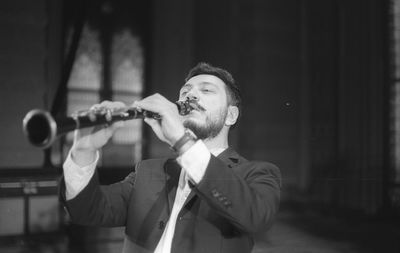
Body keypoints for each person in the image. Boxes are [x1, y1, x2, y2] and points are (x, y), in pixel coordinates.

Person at [60, 62, 281, 253]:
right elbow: (86, 210)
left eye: (206, 90)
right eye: (185, 91)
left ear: (231, 116)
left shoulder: (257, 173)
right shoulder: (148, 172)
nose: (191, 95)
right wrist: (84, 149)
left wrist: (181, 140)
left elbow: (256, 216)